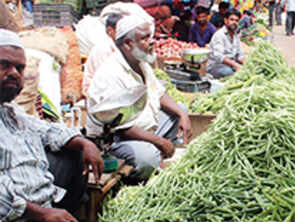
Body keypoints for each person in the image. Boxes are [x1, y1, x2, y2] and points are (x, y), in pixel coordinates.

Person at [0, 29, 104, 222]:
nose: (13, 73)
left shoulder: (10, 111)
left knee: (73, 151)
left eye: (19, 68)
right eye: (4, 65)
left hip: (27, 209)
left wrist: (85, 143)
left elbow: (46, 130)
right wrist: (42, 213)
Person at [87, 13, 192, 182]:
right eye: (144, 38)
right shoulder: (110, 74)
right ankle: (154, 159)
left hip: (147, 128)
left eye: (150, 36)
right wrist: (159, 141)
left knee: (180, 109)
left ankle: (160, 154)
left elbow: (159, 93)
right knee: (146, 159)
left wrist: (182, 114)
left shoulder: (140, 63)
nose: (151, 41)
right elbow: (121, 127)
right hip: (118, 140)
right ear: (128, 44)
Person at [82, 13, 123, 97]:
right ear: (110, 31)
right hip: (97, 94)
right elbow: (105, 80)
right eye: (121, 29)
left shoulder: (118, 46)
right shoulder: (103, 49)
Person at [207, 8, 245, 79]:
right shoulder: (219, 35)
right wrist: (235, 65)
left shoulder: (235, 36)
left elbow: (240, 54)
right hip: (216, 66)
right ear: (225, 20)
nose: (234, 22)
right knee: (230, 73)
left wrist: (247, 64)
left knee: (244, 72)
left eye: (236, 21)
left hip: (230, 65)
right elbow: (219, 56)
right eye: (232, 20)